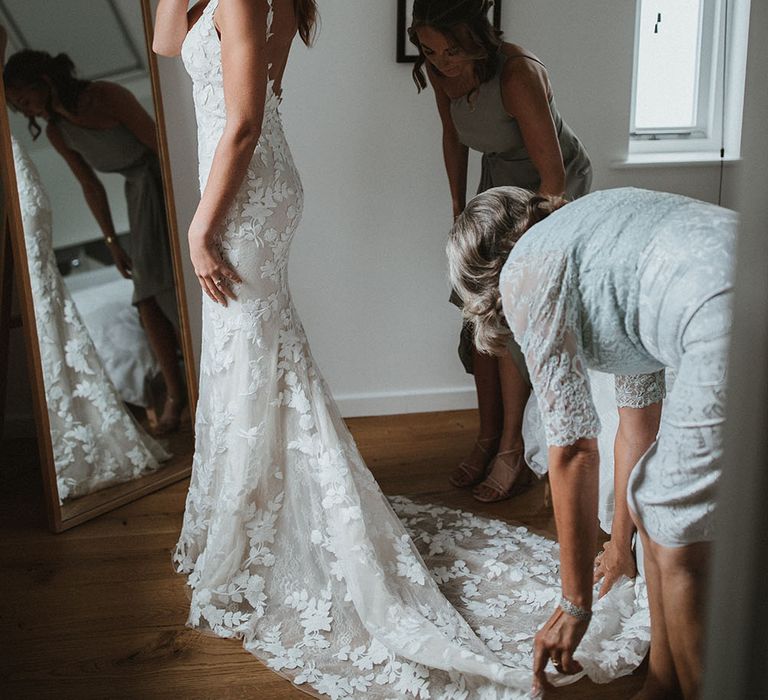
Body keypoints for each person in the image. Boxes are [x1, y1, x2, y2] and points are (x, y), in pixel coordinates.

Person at [152, 2, 649, 697]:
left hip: (245, 195)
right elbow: (166, 41)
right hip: (248, 189)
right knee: (253, 357)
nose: (440, 64)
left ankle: (496, 450)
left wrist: (202, 228)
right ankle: (257, 503)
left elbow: (245, 120)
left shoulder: (248, 2)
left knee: (261, 352)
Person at [448, 185, 734, 698]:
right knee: (658, 502)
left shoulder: (527, 274)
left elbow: (576, 449)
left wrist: (574, 604)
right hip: (744, 265)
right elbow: (638, 429)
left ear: (487, 281)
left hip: (725, 316)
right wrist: (620, 547)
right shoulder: (593, 240)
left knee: (679, 537)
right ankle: (662, 686)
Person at [409, 0, 592, 502]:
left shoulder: (516, 75)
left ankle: (513, 449)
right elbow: (453, 139)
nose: (441, 61)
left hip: (548, 194)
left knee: (510, 317)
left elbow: (554, 181)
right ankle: (487, 437)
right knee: (475, 312)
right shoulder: (439, 71)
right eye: (430, 50)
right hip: (495, 187)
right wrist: (457, 209)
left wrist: (524, 250)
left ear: (476, 37)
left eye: (452, 50)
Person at [3, 50, 185, 433]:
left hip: (165, 183)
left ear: (44, 81)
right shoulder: (58, 132)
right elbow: (91, 186)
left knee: (159, 291)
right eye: (17, 108)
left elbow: (159, 143)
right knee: (147, 296)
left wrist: (185, 202)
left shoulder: (106, 95)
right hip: (138, 196)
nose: (25, 111)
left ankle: (185, 390)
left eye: (23, 100)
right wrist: (111, 242)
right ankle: (177, 391)